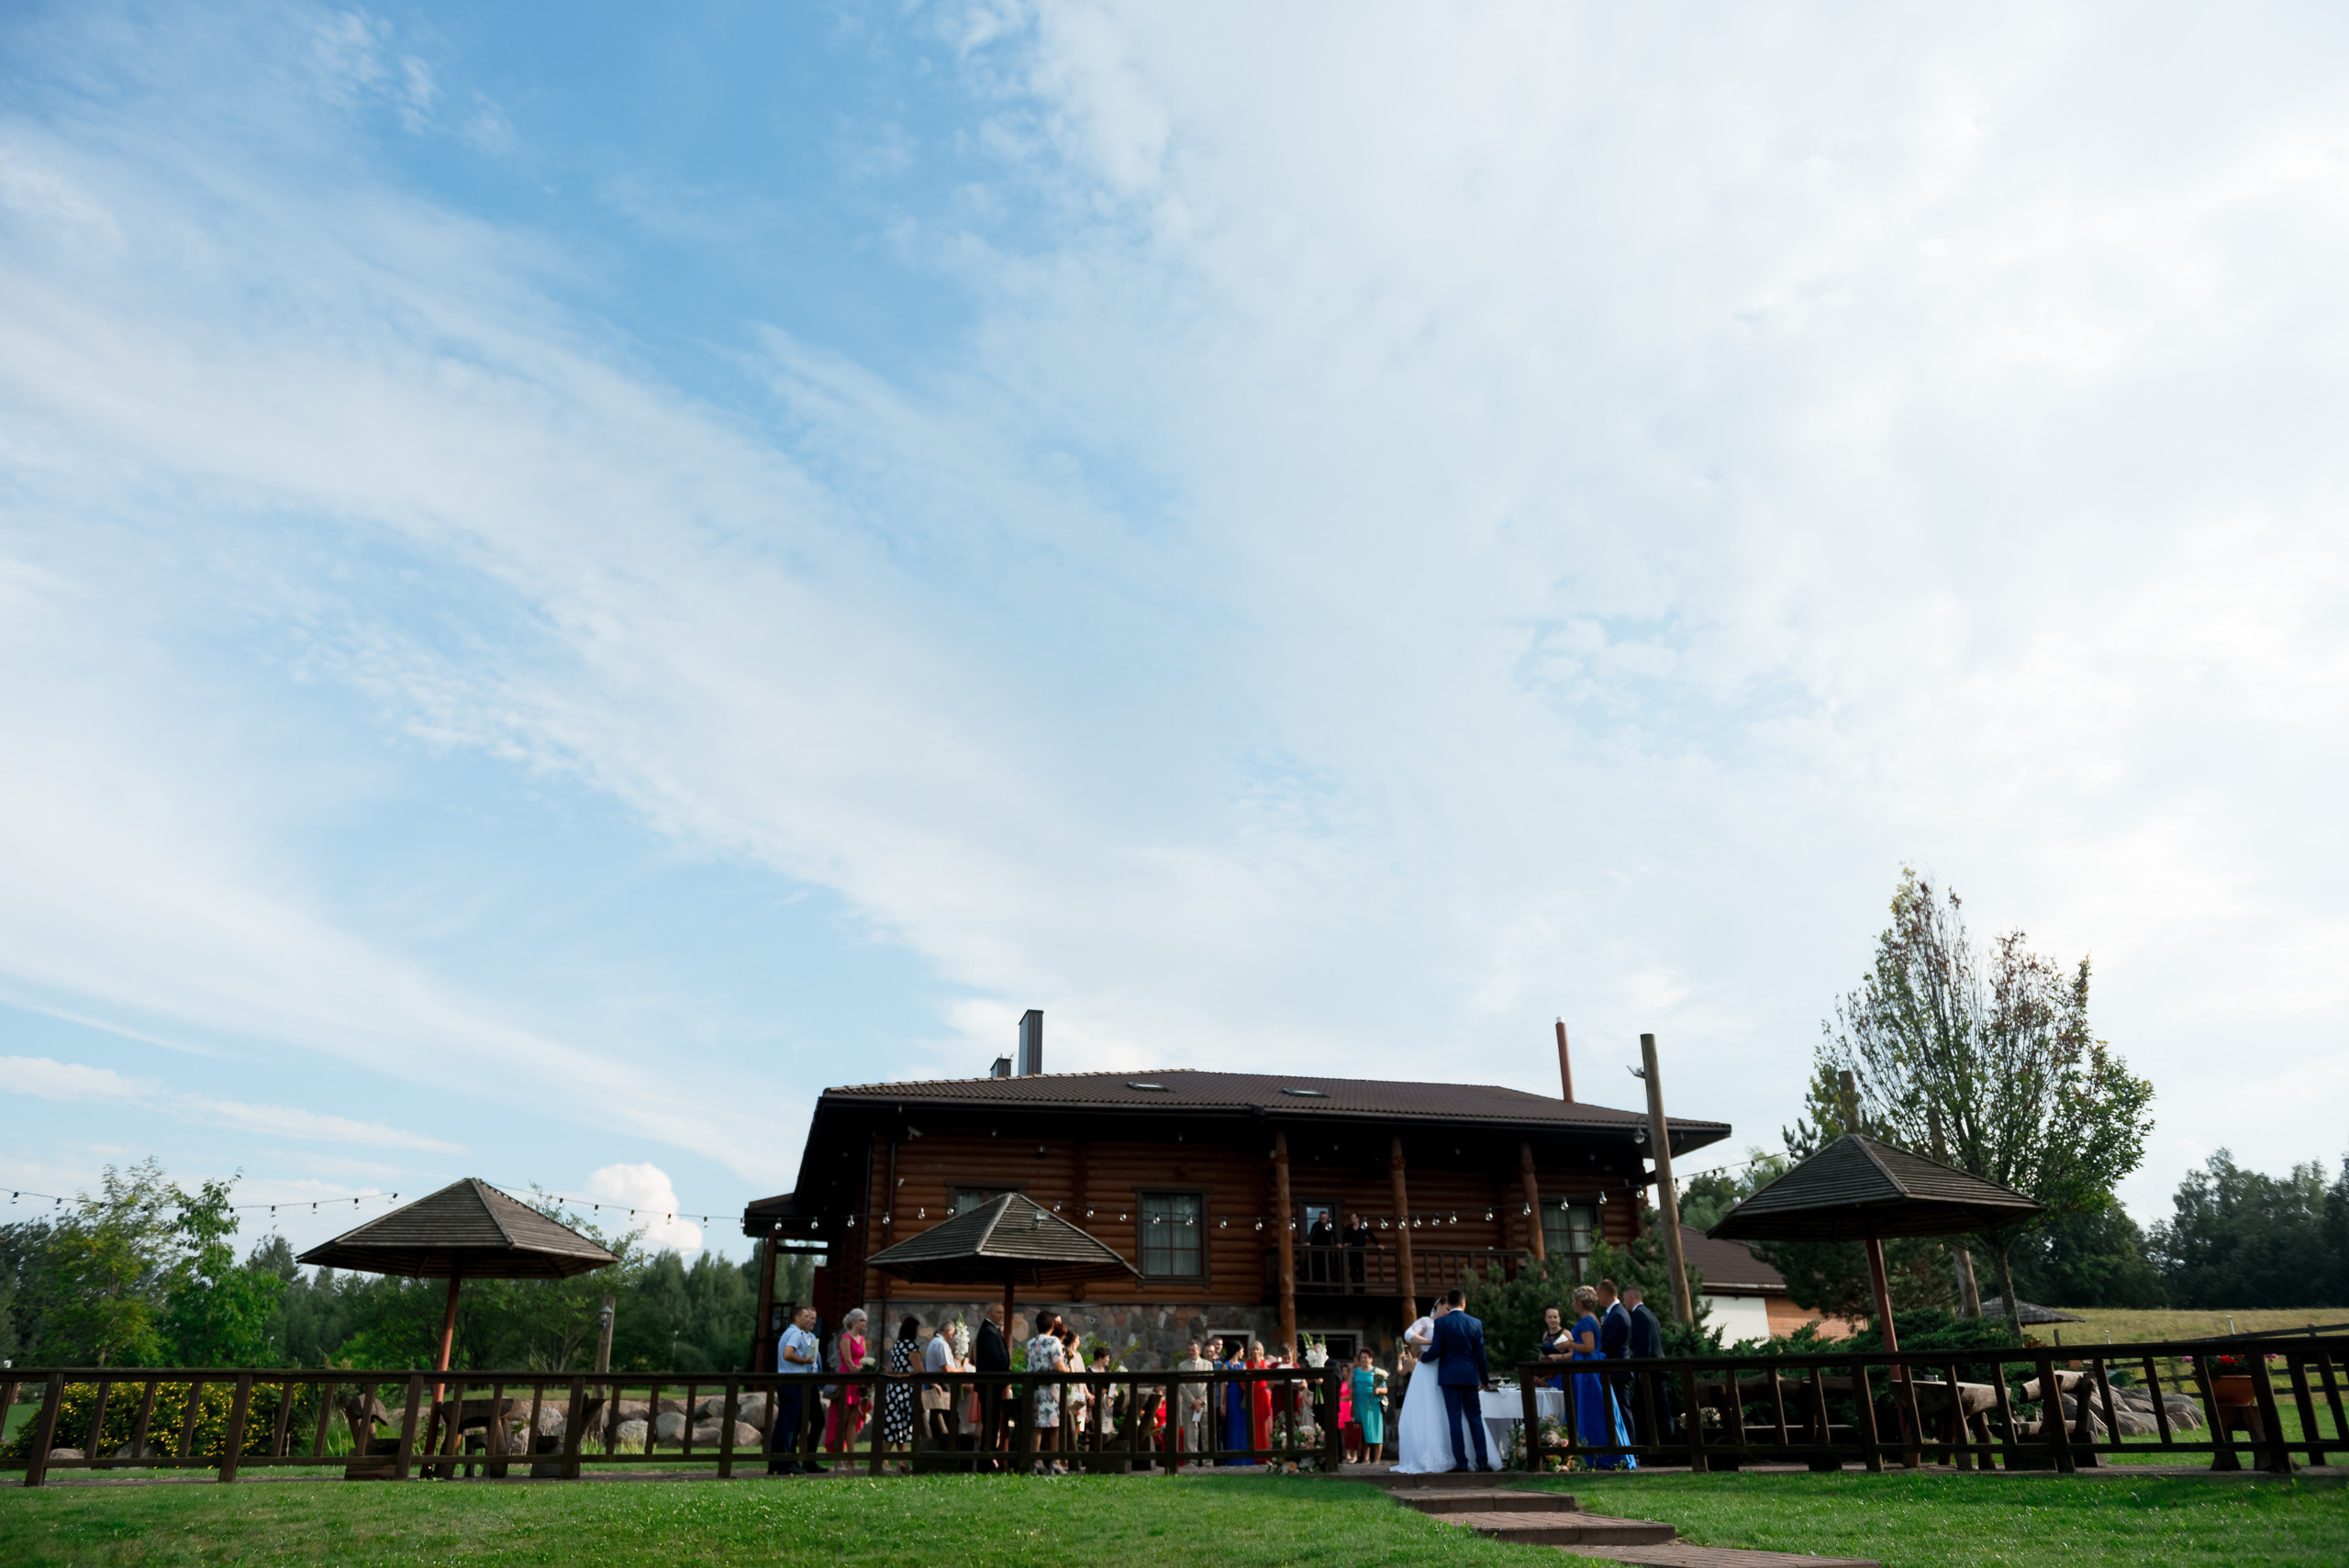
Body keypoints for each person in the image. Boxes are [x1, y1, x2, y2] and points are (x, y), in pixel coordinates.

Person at [1569, 1285, 1635, 1470]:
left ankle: (1599, 1455)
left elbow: (1589, 1347)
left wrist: (1569, 1343)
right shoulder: (1593, 1319)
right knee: (1595, 1410)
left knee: (1592, 1411)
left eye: (1574, 1301)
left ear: (1580, 1302)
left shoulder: (1586, 1321)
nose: (1573, 1305)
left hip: (1587, 1371)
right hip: (1586, 1368)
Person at [1430, 1288, 1491, 1473]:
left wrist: (1421, 1360)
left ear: (1448, 1305)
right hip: (1469, 1377)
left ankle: (1461, 1462)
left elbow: (1436, 1350)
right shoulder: (1476, 1323)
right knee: (1475, 1418)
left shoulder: (1442, 1323)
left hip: (1449, 1377)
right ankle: (1482, 1461)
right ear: (1464, 1303)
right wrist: (1485, 1379)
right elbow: (1481, 1356)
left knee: (1454, 1419)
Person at [1391, 1299, 1452, 1473]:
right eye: (1446, 1308)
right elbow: (1409, 1335)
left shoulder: (1448, 1323)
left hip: (1443, 1368)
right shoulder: (1426, 1321)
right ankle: (1426, 1454)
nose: (1448, 1312)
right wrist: (1428, 1341)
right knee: (1426, 1409)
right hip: (1426, 1369)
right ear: (1438, 1305)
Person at [769, 1305, 827, 1474]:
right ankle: (786, 1462)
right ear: (797, 1318)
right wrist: (805, 1362)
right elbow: (787, 1354)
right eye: (808, 1317)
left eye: (813, 1317)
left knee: (786, 1423)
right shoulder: (795, 1333)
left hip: (795, 1381)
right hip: (794, 1381)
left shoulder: (801, 1335)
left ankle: (778, 1463)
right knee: (790, 1424)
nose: (812, 1320)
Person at [1622, 1284, 1670, 1441]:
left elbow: (1644, 1346)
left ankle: (1657, 1450)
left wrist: (1642, 1371)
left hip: (1650, 1371)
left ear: (1630, 1298)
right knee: (1660, 1410)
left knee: (1650, 1411)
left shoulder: (1639, 1315)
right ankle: (1666, 1449)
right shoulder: (1650, 1314)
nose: (1624, 1303)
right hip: (1658, 1368)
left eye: (1624, 1299)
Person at [824, 1308, 869, 1454]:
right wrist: (864, 1369)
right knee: (842, 1420)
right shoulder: (845, 1338)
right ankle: (838, 1457)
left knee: (853, 1420)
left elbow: (864, 1360)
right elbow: (849, 1364)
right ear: (854, 1321)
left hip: (858, 1382)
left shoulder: (862, 1339)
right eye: (862, 1320)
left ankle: (851, 1457)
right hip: (847, 1379)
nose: (864, 1323)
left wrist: (867, 1370)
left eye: (865, 1321)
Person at [1597, 1281, 1633, 1447]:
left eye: (1598, 1295)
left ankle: (1630, 1448)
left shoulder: (1618, 1315)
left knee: (1622, 1411)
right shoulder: (1613, 1313)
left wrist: (1594, 1355)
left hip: (1618, 1371)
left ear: (1605, 1294)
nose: (1598, 1299)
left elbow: (1610, 1345)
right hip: (1614, 1371)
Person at [880, 1315, 919, 1467]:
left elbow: (889, 1368)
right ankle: (883, 1458)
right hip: (905, 1390)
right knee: (900, 1424)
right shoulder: (911, 1347)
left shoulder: (897, 1345)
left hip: (893, 1389)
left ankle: (901, 1459)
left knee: (896, 1423)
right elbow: (919, 1370)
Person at [974, 1303, 1011, 1464]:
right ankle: (986, 1457)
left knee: (993, 1420)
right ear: (988, 1313)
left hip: (993, 1384)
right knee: (990, 1421)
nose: (1001, 1316)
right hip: (990, 1384)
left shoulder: (992, 1329)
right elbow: (996, 1358)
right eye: (997, 1313)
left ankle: (988, 1455)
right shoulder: (988, 1331)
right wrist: (1006, 1369)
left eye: (1002, 1313)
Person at [1030, 1315, 1066, 1473]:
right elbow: (1058, 1365)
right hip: (1051, 1389)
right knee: (1054, 1427)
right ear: (1052, 1326)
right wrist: (1067, 1370)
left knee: (1037, 1426)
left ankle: (1036, 1460)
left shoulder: (1030, 1343)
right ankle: (1055, 1461)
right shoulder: (1054, 1341)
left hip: (1035, 1388)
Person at [921, 1316, 958, 1446]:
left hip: (936, 1383)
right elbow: (946, 1368)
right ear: (948, 1331)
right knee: (945, 1420)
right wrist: (961, 1370)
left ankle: (937, 1448)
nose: (952, 1337)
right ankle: (943, 1448)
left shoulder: (935, 1342)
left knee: (938, 1419)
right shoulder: (941, 1344)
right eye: (952, 1334)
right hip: (940, 1384)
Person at [1175, 1340, 1213, 1460]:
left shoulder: (1208, 1365)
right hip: (1189, 1405)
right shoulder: (1182, 1366)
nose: (1191, 1352)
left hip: (1204, 1405)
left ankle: (1208, 1461)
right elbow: (1182, 1386)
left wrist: (1201, 1400)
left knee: (1207, 1434)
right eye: (1189, 1350)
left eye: (1194, 1350)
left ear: (1200, 1351)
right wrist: (1193, 1401)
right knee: (1190, 1435)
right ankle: (1191, 1461)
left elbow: (1210, 1384)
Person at [1351, 1349, 1385, 1463]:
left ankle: (1377, 1460)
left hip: (1372, 1405)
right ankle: (1365, 1459)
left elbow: (1385, 1389)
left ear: (1371, 1359)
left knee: (1376, 1431)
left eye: (1366, 1357)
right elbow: (1350, 1386)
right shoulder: (1356, 1371)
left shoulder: (1377, 1371)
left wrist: (1378, 1390)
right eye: (1362, 1357)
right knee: (1363, 1432)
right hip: (1359, 1405)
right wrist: (1351, 1371)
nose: (1364, 1359)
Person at [1537, 1304, 1574, 1392]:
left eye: (1555, 1317)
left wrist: (1556, 1357)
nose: (1552, 1320)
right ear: (1545, 1319)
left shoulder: (1566, 1334)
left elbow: (1574, 1353)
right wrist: (1541, 1356)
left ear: (1559, 1319)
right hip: (1547, 1375)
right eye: (1549, 1317)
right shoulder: (1545, 1335)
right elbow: (1544, 1351)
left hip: (1562, 1374)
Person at [1307, 1208, 1337, 1285]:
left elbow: (1335, 1235)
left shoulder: (1329, 1226)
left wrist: (1338, 1243)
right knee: (1317, 1268)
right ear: (1320, 1218)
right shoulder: (1316, 1225)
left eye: (1325, 1218)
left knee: (1326, 1267)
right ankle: (1317, 1284)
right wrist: (1308, 1242)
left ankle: (1326, 1283)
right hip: (1317, 1251)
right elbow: (1312, 1234)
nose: (1323, 1219)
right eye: (1322, 1218)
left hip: (1327, 1251)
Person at [1342, 1213, 1372, 1291]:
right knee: (1353, 1271)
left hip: (1361, 1252)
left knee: (1361, 1270)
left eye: (1353, 1218)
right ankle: (1356, 1289)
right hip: (1352, 1253)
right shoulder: (1348, 1229)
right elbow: (1345, 1240)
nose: (1352, 1220)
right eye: (1351, 1218)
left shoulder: (1363, 1228)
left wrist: (1378, 1244)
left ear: (1358, 1219)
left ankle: (1362, 1289)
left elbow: (1371, 1236)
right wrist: (1346, 1244)